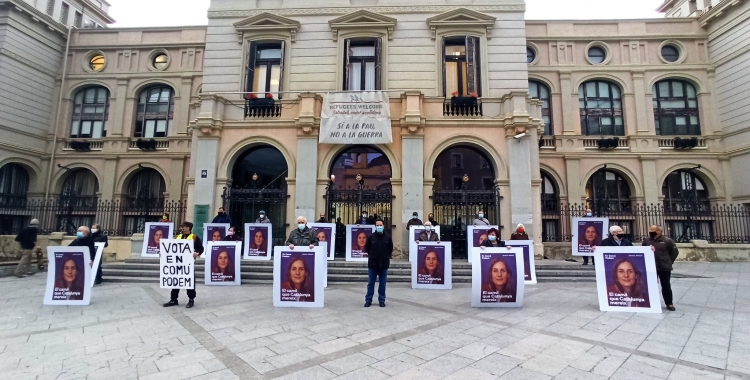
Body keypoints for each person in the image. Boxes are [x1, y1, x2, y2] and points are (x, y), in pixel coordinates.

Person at [163, 222, 203, 309]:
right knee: (176, 281)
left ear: (189, 228)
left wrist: (197, 253)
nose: (182, 228)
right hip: (178, 263)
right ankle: (173, 299)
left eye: (184, 227)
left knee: (189, 282)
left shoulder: (194, 237)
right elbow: (171, 248)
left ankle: (191, 299)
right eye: (182, 227)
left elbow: (201, 248)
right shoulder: (178, 236)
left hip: (188, 264)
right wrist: (163, 252)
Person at [643, 225, 679, 311]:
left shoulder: (667, 241)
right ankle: (651, 302)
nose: (651, 231)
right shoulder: (647, 241)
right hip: (651, 267)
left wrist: (668, 261)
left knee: (666, 285)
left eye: (653, 230)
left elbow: (674, 252)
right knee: (651, 285)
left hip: (664, 267)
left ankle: (669, 303)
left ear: (659, 231)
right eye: (650, 229)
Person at [364, 219, 392, 307]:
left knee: (382, 283)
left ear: (383, 226)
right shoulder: (371, 237)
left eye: (380, 225)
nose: (379, 227)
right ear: (375, 226)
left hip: (384, 264)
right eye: (377, 225)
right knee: (371, 283)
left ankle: (382, 300)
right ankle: (368, 300)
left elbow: (390, 249)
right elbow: (367, 248)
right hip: (373, 264)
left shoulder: (388, 237)